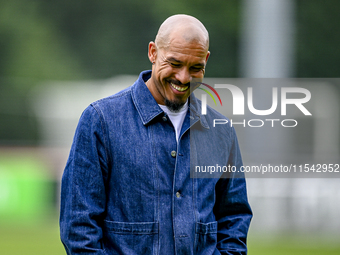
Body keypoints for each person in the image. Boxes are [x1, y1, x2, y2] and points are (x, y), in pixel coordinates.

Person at [60, 14, 252, 255]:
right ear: (153, 52)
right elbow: (78, 230)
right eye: (174, 63)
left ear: (206, 60)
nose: (184, 78)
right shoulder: (101, 120)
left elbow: (234, 220)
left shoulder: (221, 130)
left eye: (196, 68)